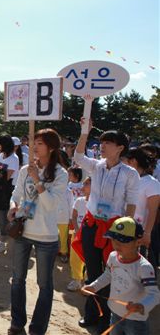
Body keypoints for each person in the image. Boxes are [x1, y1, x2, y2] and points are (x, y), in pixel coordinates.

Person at [73, 118, 140, 332]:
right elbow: (77, 156)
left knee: (112, 273)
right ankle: (92, 313)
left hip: (114, 229)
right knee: (92, 271)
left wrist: (126, 233)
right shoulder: (96, 166)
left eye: (108, 143)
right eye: (101, 142)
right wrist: (85, 131)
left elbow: (131, 203)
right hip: (92, 225)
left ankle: (108, 317)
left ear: (120, 148)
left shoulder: (130, 173)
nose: (102, 146)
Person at [8, 129, 68, 335]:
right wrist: (12, 206)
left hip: (46, 236)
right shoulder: (26, 169)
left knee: (44, 285)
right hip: (23, 232)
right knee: (17, 279)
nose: (34, 146)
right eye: (34, 142)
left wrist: (38, 180)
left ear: (51, 147)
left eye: (40, 143)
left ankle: (37, 328)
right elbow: (15, 194)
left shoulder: (61, 173)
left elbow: (51, 205)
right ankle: (17, 323)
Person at [82, 217, 160, 335]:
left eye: (122, 241)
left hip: (136, 321)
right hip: (115, 314)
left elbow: (154, 294)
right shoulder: (113, 256)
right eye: (114, 239)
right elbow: (108, 275)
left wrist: (141, 306)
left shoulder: (144, 267)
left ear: (138, 242)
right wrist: (93, 287)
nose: (116, 244)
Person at [124, 147, 160, 268]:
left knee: (145, 264)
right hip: (127, 228)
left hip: (142, 231)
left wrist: (147, 233)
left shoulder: (152, 183)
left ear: (133, 161)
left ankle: (150, 286)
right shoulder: (129, 179)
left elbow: (153, 210)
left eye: (124, 160)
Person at [67, 177, 91, 292]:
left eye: (86, 184)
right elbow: (74, 216)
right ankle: (76, 280)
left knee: (90, 259)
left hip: (90, 236)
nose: (83, 186)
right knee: (75, 257)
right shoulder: (79, 201)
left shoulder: (97, 203)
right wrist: (77, 230)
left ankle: (88, 281)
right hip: (78, 234)